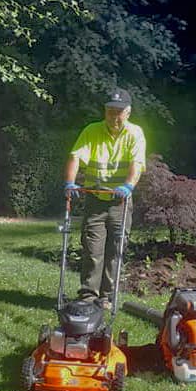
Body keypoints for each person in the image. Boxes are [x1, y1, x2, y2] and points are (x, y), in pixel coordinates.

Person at [63, 88, 146, 307]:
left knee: (115, 251)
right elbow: (75, 157)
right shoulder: (91, 130)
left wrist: (128, 185)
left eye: (118, 112)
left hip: (120, 202)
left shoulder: (135, 133)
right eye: (110, 111)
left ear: (127, 112)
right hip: (95, 201)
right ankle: (88, 296)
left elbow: (136, 164)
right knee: (92, 249)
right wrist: (70, 182)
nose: (113, 116)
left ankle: (107, 297)